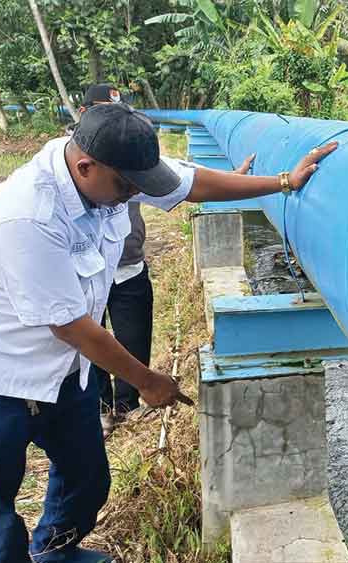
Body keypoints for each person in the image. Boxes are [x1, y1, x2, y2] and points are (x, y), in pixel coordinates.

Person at [0, 103, 336, 562]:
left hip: (64, 367)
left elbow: (192, 184)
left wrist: (282, 183)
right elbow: (71, 326)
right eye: (127, 187)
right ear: (86, 167)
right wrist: (145, 380)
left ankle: (53, 552)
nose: (133, 195)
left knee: (86, 478)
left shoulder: (112, 173)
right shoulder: (26, 214)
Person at [72, 84, 253, 437]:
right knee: (92, 341)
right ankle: (102, 410)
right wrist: (152, 382)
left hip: (128, 266)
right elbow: (68, 326)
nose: (129, 191)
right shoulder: (74, 169)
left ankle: (127, 408)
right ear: (83, 115)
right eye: (99, 110)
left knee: (133, 339)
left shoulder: (125, 153)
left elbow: (185, 179)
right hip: (83, 277)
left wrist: (273, 182)